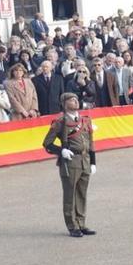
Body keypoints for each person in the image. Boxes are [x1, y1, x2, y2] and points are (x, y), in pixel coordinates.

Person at [40, 93, 97, 236]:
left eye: (76, 99)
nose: (75, 101)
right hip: (70, 162)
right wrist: (61, 151)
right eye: (71, 100)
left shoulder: (85, 120)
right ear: (64, 104)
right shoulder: (60, 122)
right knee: (70, 195)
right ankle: (72, 226)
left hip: (84, 160)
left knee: (82, 194)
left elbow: (91, 142)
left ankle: (81, 223)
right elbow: (47, 143)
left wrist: (93, 161)